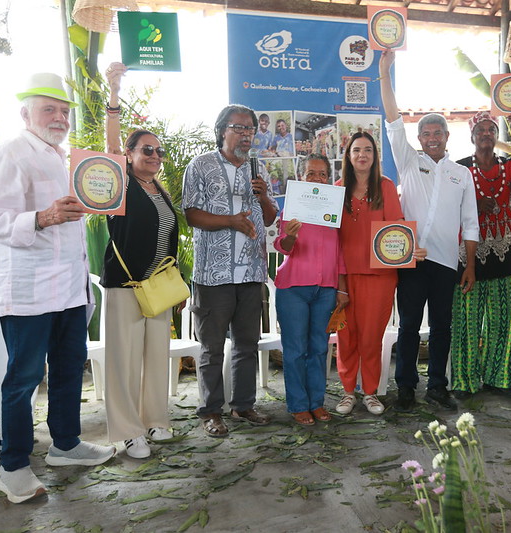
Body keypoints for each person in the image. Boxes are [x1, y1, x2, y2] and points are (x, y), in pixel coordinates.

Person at [0, 73, 115, 503]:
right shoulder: (8, 154)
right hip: (27, 291)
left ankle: (65, 445)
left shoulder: (63, 158)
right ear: (25, 113)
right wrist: (42, 217)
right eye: (48, 109)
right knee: (24, 378)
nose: (59, 117)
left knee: (70, 368)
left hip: (68, 289)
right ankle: (12, 465)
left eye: (64, 111)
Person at [378, 49, 479, 411]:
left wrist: (468, 265)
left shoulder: (461, 174)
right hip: (410, 260)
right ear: (418, 138)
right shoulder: (408, 161)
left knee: (442, 328)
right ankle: (406, 385)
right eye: (426, 132)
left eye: (438, 132)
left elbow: (471, 222)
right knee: (407, 327)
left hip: (445, 263)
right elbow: (392, 119)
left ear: (447, 136)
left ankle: (437, 385)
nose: (432, 137)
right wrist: (384, 74)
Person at [183, 104, 279, 437]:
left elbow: (268, 218)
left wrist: (264, 196)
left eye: (250, 129)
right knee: (211, 347)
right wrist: (231, 222)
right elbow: (191, 214)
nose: (245, 134)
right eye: (238, 128)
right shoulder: (201, 165)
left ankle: (243, 404)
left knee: (246, 343)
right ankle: (210, 411)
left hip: (252, 272)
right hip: (214, 273)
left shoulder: (258, 170)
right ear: (222, 130)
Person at [100, 62, 178, 458]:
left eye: (158, 151)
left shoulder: (158, 190)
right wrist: (114, 93)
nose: (154, 155)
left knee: (155, 356)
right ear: (128, 155)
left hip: (157, 289)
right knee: (125, 362)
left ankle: (155, 419)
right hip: (125, 287)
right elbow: (110, 146)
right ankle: (130, 431)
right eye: (146, 150)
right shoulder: (122, 184)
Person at [451, 107, 511, 399]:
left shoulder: (509, 165)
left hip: (504, 252)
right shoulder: (459, 169)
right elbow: (447, 210)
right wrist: (474, 206)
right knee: (467, 321)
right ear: (472, 135)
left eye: (492, 130)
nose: (486, 134)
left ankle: (499, 379)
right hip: (469, 257)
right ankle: (464, 382)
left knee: (502, 321)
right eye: (481, 130)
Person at [334, 131, 408, 416]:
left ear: (375, 156)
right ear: (348, 156)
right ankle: (348, 392)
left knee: (371, 337)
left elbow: (398, 229)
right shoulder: (337, 190)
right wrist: (339, 282)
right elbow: (332, 239)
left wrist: (409, 248)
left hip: (380, 277)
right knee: (346, 337)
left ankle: (371, 392)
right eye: (356, 150)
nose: (362, 155)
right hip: (345, 277)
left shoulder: (386, 187)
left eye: (368, 150)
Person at [274, 154, 348, 425]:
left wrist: (342, 289)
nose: (317, 179)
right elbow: (283, 247)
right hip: (293, 288)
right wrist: (291, 235)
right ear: (301, 177)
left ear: (328, 178)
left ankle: (316, 403)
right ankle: (298, 404)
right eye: (311, 174)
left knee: (319, 348)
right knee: (295, 350)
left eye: (322, 174)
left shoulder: (333, 214)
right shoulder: (291, 209)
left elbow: (340, 254)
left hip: (326, 290)